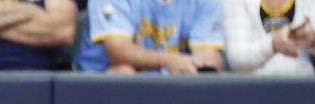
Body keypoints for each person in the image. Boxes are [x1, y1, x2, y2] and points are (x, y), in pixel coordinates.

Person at [75, 0, 225, 73]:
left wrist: (204, 62)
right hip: (100, 81)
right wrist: (170, 60)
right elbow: (118, 51)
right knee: (124, 72)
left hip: (172, 82)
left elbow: (208, 51)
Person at [223, 0, 315, 75]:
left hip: (303, 88)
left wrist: (314, 40)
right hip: (254, 93)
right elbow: (237, 60)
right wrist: (272, 45)